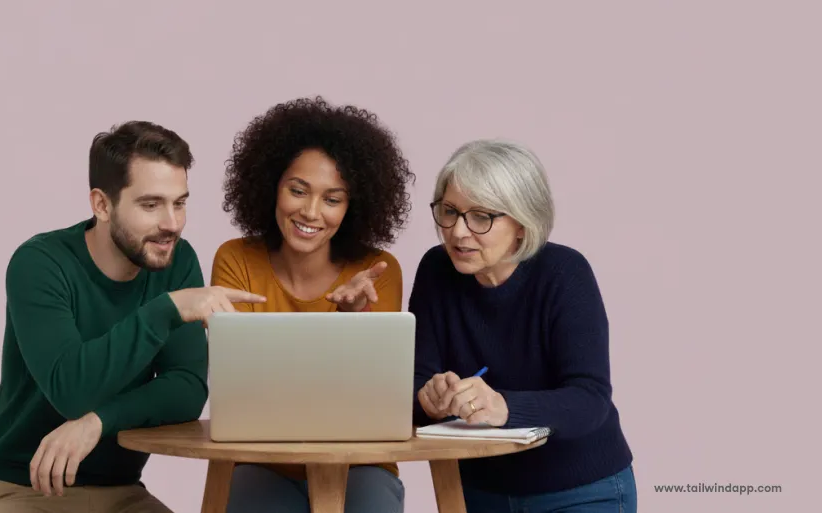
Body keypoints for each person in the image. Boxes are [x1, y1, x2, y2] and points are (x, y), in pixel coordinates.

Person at [0, 121, 265, 513]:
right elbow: (71, 390)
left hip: (122, 494)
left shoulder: (177, 262)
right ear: (102, 205)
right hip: (23, 488)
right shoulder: (40, 264)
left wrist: (98, 422)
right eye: (151, 204)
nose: (172, 223)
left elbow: (187, 390)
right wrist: (167, 311)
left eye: (180, 202)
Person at [210, 96, 415, 512]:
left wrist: (354, 317)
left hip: (361, 465)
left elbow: (370, 397)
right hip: (262, 463)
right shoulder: (235, 259)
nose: (311, 211)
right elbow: (243, 387)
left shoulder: (377, 270)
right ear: (272, 185)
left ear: (352, 206)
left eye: (332, 198)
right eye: (297, 190)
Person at [411, 140, 637, 513]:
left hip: (580, 491)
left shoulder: (565, 273)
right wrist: (429, 397)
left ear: (522, 222)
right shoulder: (436, 271)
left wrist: (503, 406)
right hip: (477, 491)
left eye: (481, 217)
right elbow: (416, 381)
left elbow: (590, 398)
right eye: (449, 211)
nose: (458, 232)